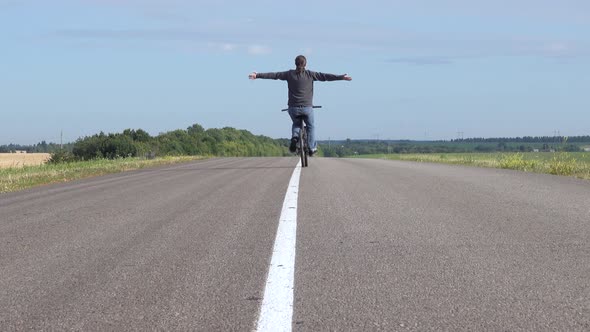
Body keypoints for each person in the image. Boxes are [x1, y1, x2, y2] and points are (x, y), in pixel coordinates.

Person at [249, 55, 352, 156]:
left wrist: (257, 75)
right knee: (311, 126)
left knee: (296, 124)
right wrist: (341, 77)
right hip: (307, 108)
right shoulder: (310, 74)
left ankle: (295, 137)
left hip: (293, 108)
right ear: (305, 64)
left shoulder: (289, 74)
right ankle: (311, 147)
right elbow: (325, 77)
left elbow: (274, 75)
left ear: (295, 64)